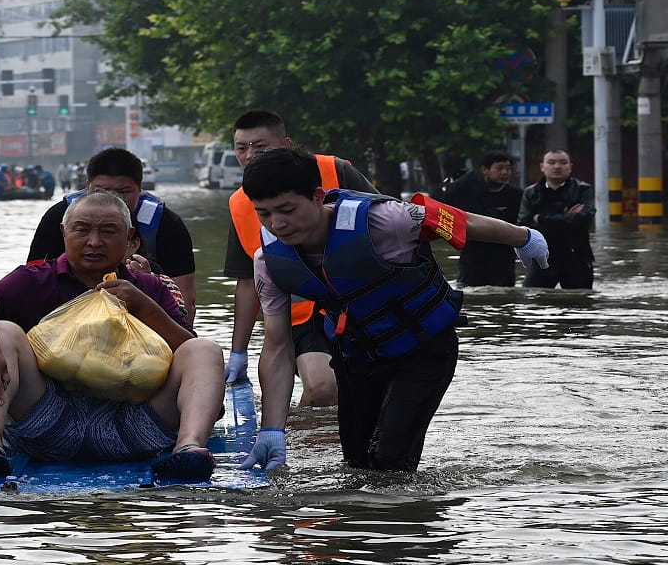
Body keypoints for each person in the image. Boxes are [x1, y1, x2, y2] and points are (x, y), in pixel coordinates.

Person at [239, 147, 548, 473]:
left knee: (390, 460)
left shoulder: (385, 220)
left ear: (317, 196)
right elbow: (276, 345)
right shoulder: (268, 262)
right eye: (264, 214)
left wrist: (523, 237)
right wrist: (272, 430)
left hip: (424, 348)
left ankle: (412, 521)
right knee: (356, 466)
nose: (277, 224)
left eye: (286, 209)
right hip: (357, 356)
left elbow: (461, 222)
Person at [0, 191, 226, 482]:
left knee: (205, 349)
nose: (94, 242)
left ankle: (189, 448)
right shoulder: (37, 279)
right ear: (64, 233)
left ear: (129, 237)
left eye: (108, 231)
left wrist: (142, 306)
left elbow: (188, 351)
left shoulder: (149, 286)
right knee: (2, 332)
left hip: (134, 426)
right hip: (47, 423)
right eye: (82, 230)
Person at [221, 109, 376, 403]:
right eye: (242, 148)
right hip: (301, 315)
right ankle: (289, 441)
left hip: (360, 302)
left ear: (286, 144)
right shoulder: (240, 203)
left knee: (366, 392)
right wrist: (238, 352)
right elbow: (247, 281)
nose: (250, 155)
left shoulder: (335, 170)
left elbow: (386, 222)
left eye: (260, 147)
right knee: (322, 388)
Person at [25, 147, 197, 320]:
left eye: (123, 192)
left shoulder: (167, 225)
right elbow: (31, 284)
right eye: (82, 230)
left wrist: (146, 286)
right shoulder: (58, 217)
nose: (113, 199)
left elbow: (186, 303)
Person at [436, 152, 524, 287]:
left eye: (508, 168)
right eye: (499, 168)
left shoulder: (516, 195)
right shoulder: (470, 192)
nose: (505, 172)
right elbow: (442, 204)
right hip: (472, 256)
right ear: (485, 170)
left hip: (502, 257)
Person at [519, 149, 596, 289]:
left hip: (577, 256)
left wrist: (542, 219)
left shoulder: (582, 189)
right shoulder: (531, 193)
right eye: (551, 162)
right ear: (542, 166)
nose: (557, 167)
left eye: (562, 162)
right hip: (543, 257)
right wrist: (566, 218)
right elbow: (524, 225)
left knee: (580, 303)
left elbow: (584, 219)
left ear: (570, 166)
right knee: (532, 299)